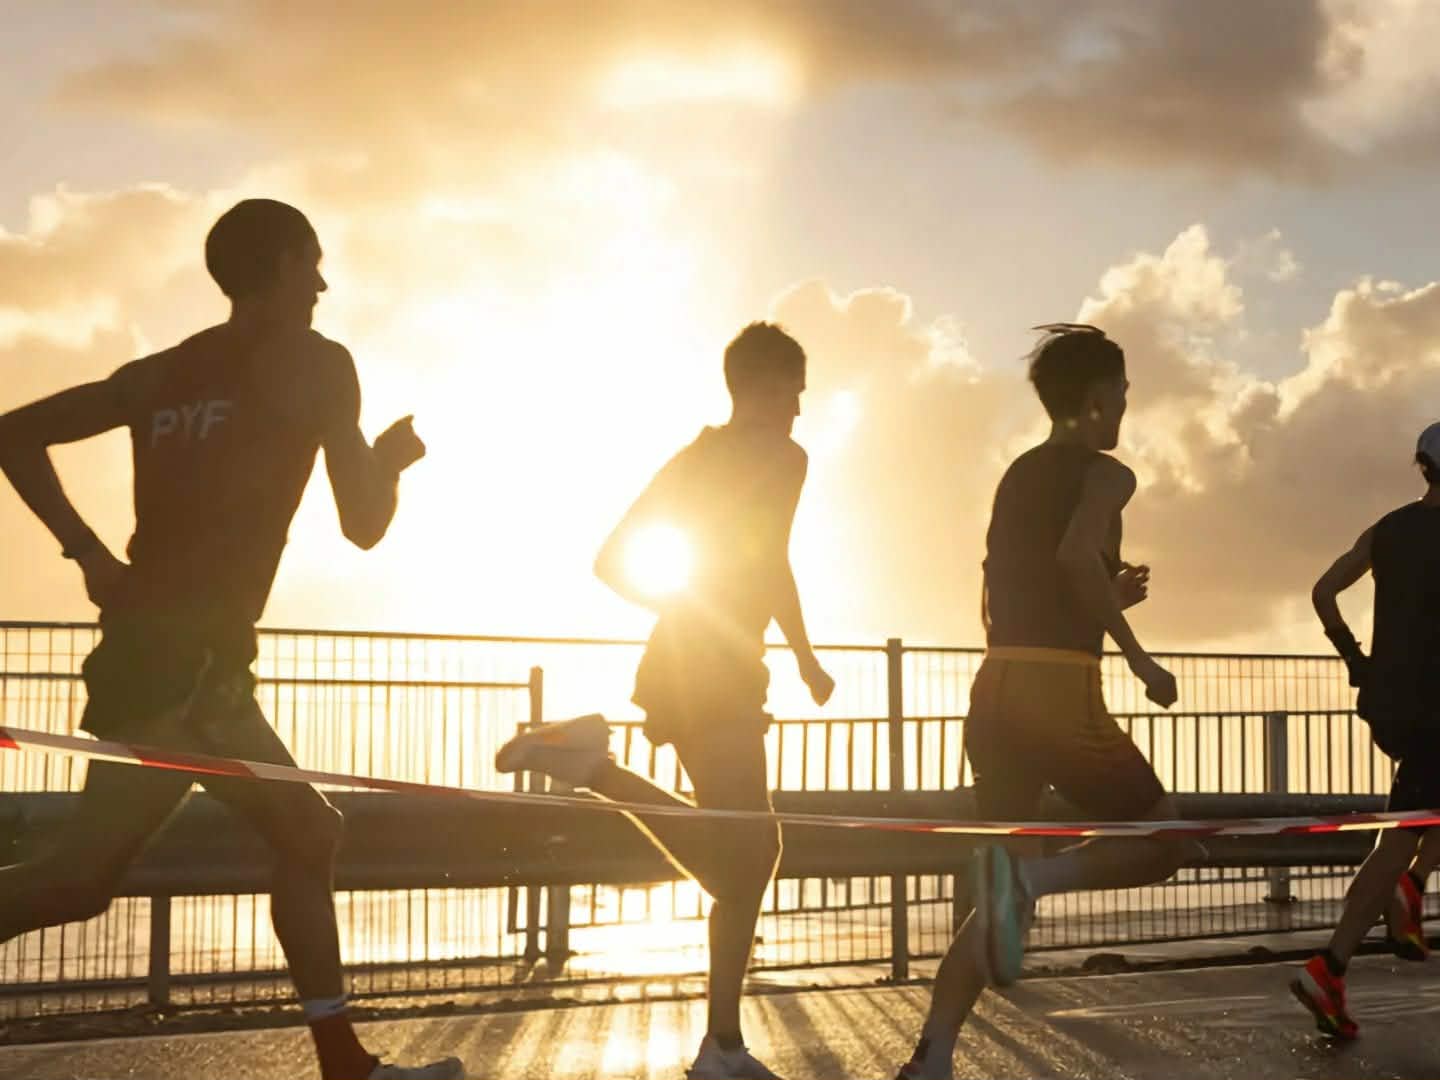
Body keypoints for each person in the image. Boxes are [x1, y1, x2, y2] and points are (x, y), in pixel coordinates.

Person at [0, 199, 460, 1080]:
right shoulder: (321, 366)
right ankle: (344, 1066)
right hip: (198, 668)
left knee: (83, 879)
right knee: (303, 834)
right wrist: (394, 465)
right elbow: (363, 524)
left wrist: (90, 555)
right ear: (283, 265)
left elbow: (13, 434)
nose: (324, 284)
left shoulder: (160, 374)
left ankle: (344, 1061)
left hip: (144, 654)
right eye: (314, 263)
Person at [495, 322, 834, 1080]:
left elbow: (612, 560)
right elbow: (773, 560)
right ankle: (591, 768)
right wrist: (786, 647)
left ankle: (722, 1044)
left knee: (744, 855)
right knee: (746, 857)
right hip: (715, 673)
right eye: (796, 393)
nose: (801, 410)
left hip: (684, 666)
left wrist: (690, 606)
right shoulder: (783, 456)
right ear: (768, 386)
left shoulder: (695, 456)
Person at [893, 323, 1184, 1080]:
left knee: (1000, 904)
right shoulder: (1107, 474)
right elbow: (1073, 554)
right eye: (1122, 390)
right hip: (1059, 694)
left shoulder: (1017, 474)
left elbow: (1017, 590)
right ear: (1095, 398)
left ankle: (932, 1056)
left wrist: (1102, 602)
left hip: (995, 691)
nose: (1126, 404)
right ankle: (1036, 876)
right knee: (1169, 844)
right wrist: (1138, 653)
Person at [1290, 421, 1440, 1040]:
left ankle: (1331, 968)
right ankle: (1409, 893)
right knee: (1406, 841)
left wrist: (1355, 659)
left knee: (1402, 831)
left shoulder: (1386, 530)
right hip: (1436, 709)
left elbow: (1325, 592)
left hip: (1391, 705)